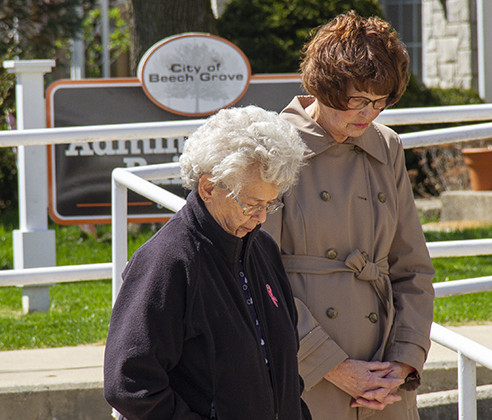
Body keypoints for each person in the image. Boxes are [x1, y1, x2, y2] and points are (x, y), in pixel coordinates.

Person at [264, 11, 435, 420]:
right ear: (325, 86)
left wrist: (403, 363)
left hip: (384, 380)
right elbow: (260, 278)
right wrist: (333, 366)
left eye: (380, 101)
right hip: (305, 372)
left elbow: (411, 267)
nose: (368, 113)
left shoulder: (387, 146)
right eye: (357, 100)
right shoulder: (273, 146)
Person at [103, 106, 311, 420]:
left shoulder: (263, 249)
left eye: (270, 203)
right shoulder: (167, 262)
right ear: (209, 187)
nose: (262, 217)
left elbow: (283, 370)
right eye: (251, 204)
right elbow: (130, 382)